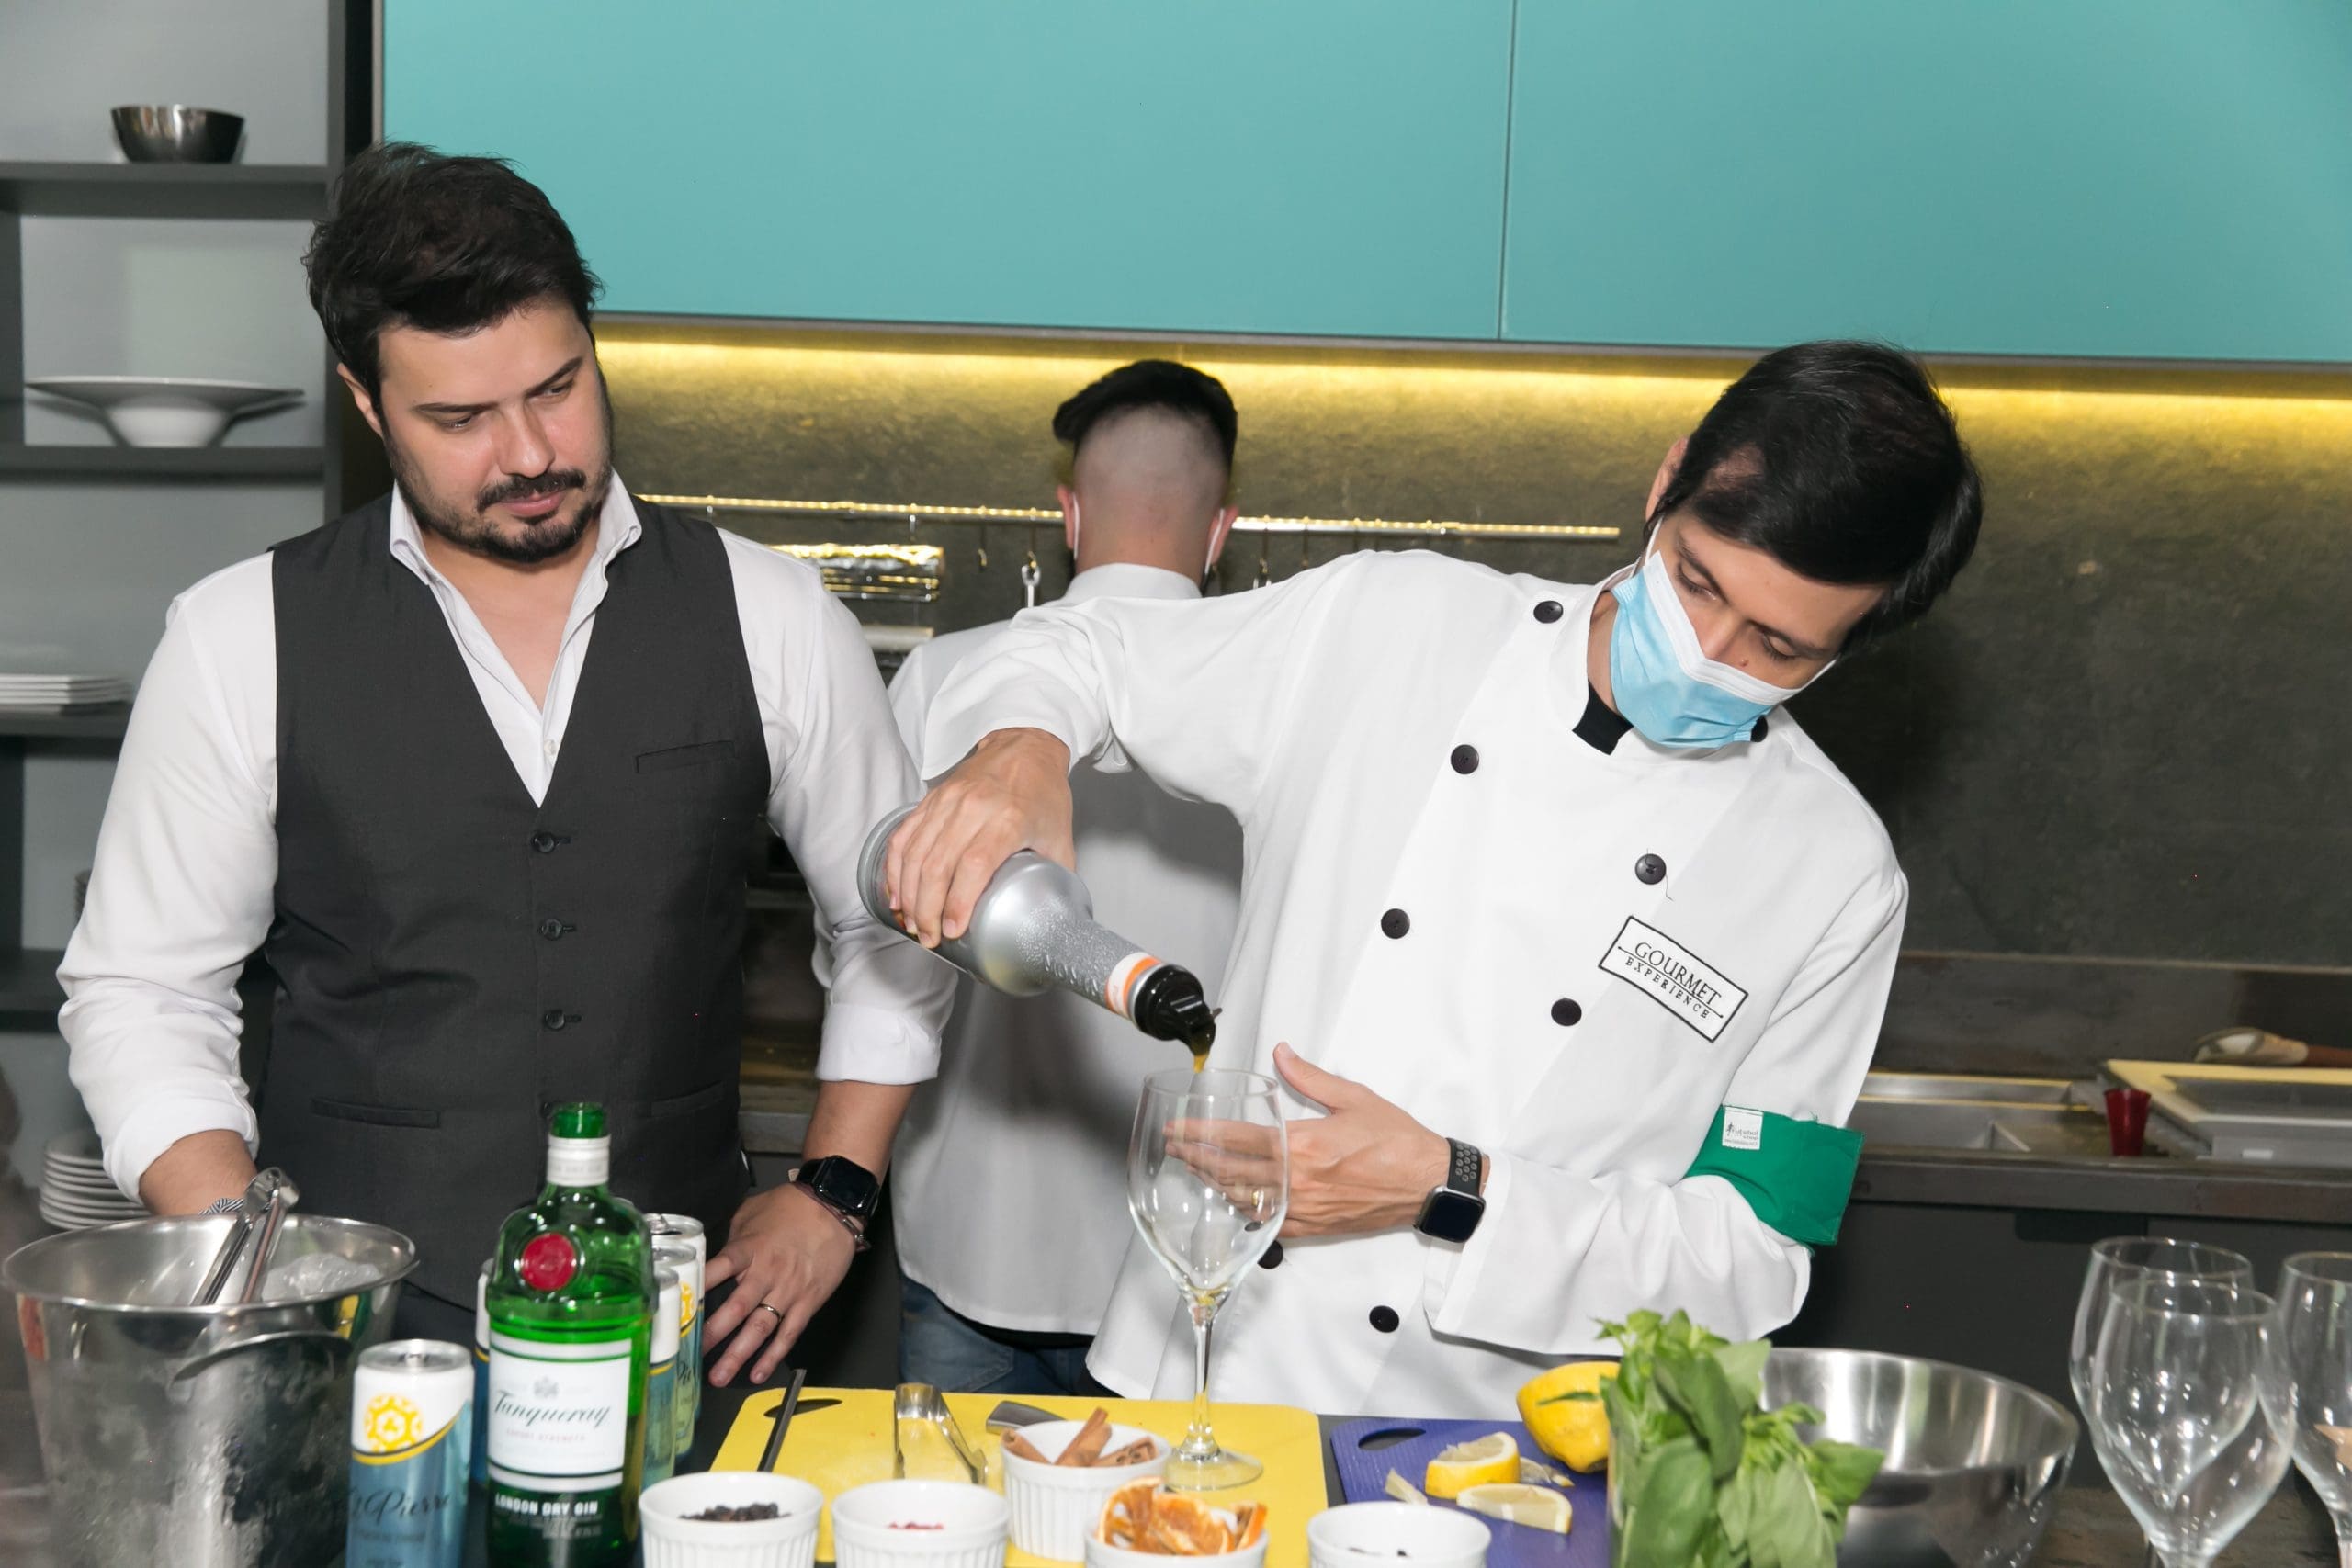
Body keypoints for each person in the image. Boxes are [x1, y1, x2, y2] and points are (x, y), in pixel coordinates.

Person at [881, 341, 1983, 1416]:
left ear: (1858, 640)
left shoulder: (1834, 877)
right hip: (1206, 1376)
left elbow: (1753, 1258)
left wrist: (1455, 1188)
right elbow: (1086, 651)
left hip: (1506, 1440)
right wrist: (1018, 749)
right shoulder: (1396, 624)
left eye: (1777, 649)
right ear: (1666, 483)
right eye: (1695, 581)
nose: (1707, 651)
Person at [58, 143, 954, 1385]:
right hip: (351, 1335)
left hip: (679, 1334)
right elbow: (145, 990)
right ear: (366, 403)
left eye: (557, 388)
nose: (529, 453)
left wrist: (835, 1190)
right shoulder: (236, 635)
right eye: (461, 419)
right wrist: (253, 1265)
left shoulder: (774, 615)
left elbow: (896, 920)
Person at [885, 361, 1245, 1393]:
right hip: (1186, 1264)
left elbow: (872, 946)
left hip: (969, 1241)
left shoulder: (940, 676)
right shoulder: (1275, 708)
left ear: (1069, 515)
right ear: (1221, 531)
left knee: (945, 1501)